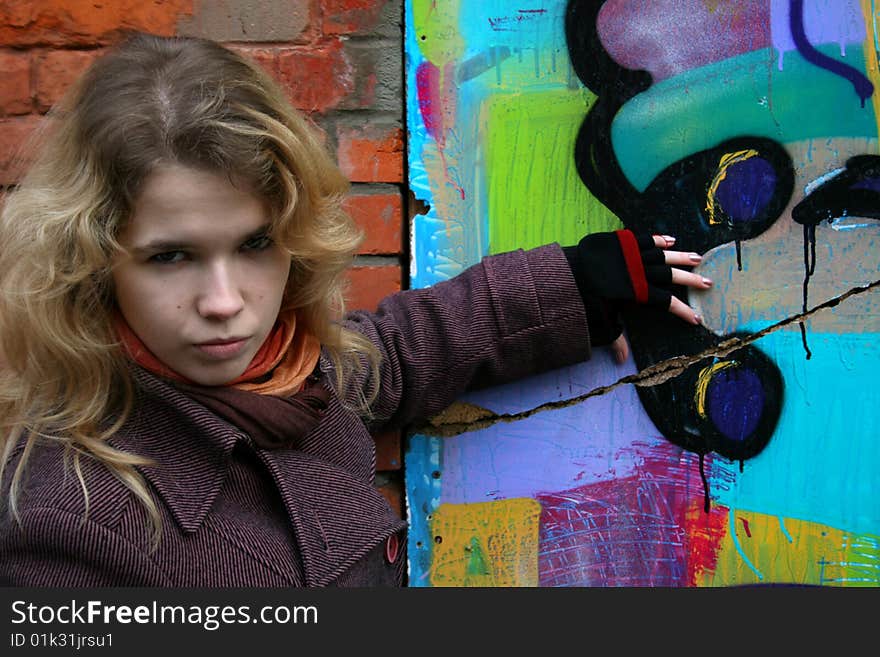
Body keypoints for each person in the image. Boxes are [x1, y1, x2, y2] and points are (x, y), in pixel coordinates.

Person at [0, 32, 710, 587]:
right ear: (94, 261)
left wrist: (579, 283)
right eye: (169, 256)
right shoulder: (64, 522)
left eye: (255, 244)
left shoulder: (283, 374)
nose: (223, 303)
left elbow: (392, 353)